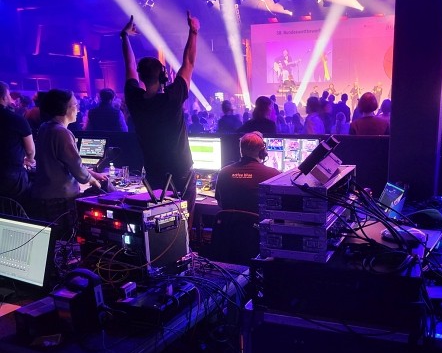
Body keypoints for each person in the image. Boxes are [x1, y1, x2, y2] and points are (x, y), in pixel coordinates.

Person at [121, 12, 199, 229]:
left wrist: (124, 37)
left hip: (154, 174)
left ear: (141, 76)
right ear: (164, 75)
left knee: (161, 225)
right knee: (183, 225)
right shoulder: (172, 98)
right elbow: (189, 62)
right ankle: (185, 246)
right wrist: (193, 31)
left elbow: (129, 65)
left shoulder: (134, 99)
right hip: (181, 173)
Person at [30, 89, 105, 233]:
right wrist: (92, 180)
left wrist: (93, 174)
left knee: (51, 240)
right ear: (64, 108)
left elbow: (64, 163)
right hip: (59, 198)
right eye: (75, 105)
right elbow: (75, 166)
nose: (78, 110)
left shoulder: (45, 127)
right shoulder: (62, 133)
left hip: (43, 195)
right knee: (65, 239)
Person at [215, 132, 280, 213]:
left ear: (241, 150)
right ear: (262, 152)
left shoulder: (224, 173)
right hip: (259, 221)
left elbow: (220, 203)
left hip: (230, 221)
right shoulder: (274, 175)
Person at [0, 81, 36, 203]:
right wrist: (29, 160)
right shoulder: (17, 119)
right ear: (4, 97)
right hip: (11, 176)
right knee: (17, 207)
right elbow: (30, 150)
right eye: (8, 95)